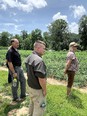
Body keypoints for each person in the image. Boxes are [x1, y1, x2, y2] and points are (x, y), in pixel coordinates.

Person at [25, 40, 47, 116]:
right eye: (43, 48)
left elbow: (28, 73)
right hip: (38, 90)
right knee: (40, 107)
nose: (45, 50)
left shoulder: (29, 57)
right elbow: (41, 79)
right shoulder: (39, 61)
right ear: (37, 48)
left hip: (30, 86)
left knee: (33, 103)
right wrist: (44, 90)